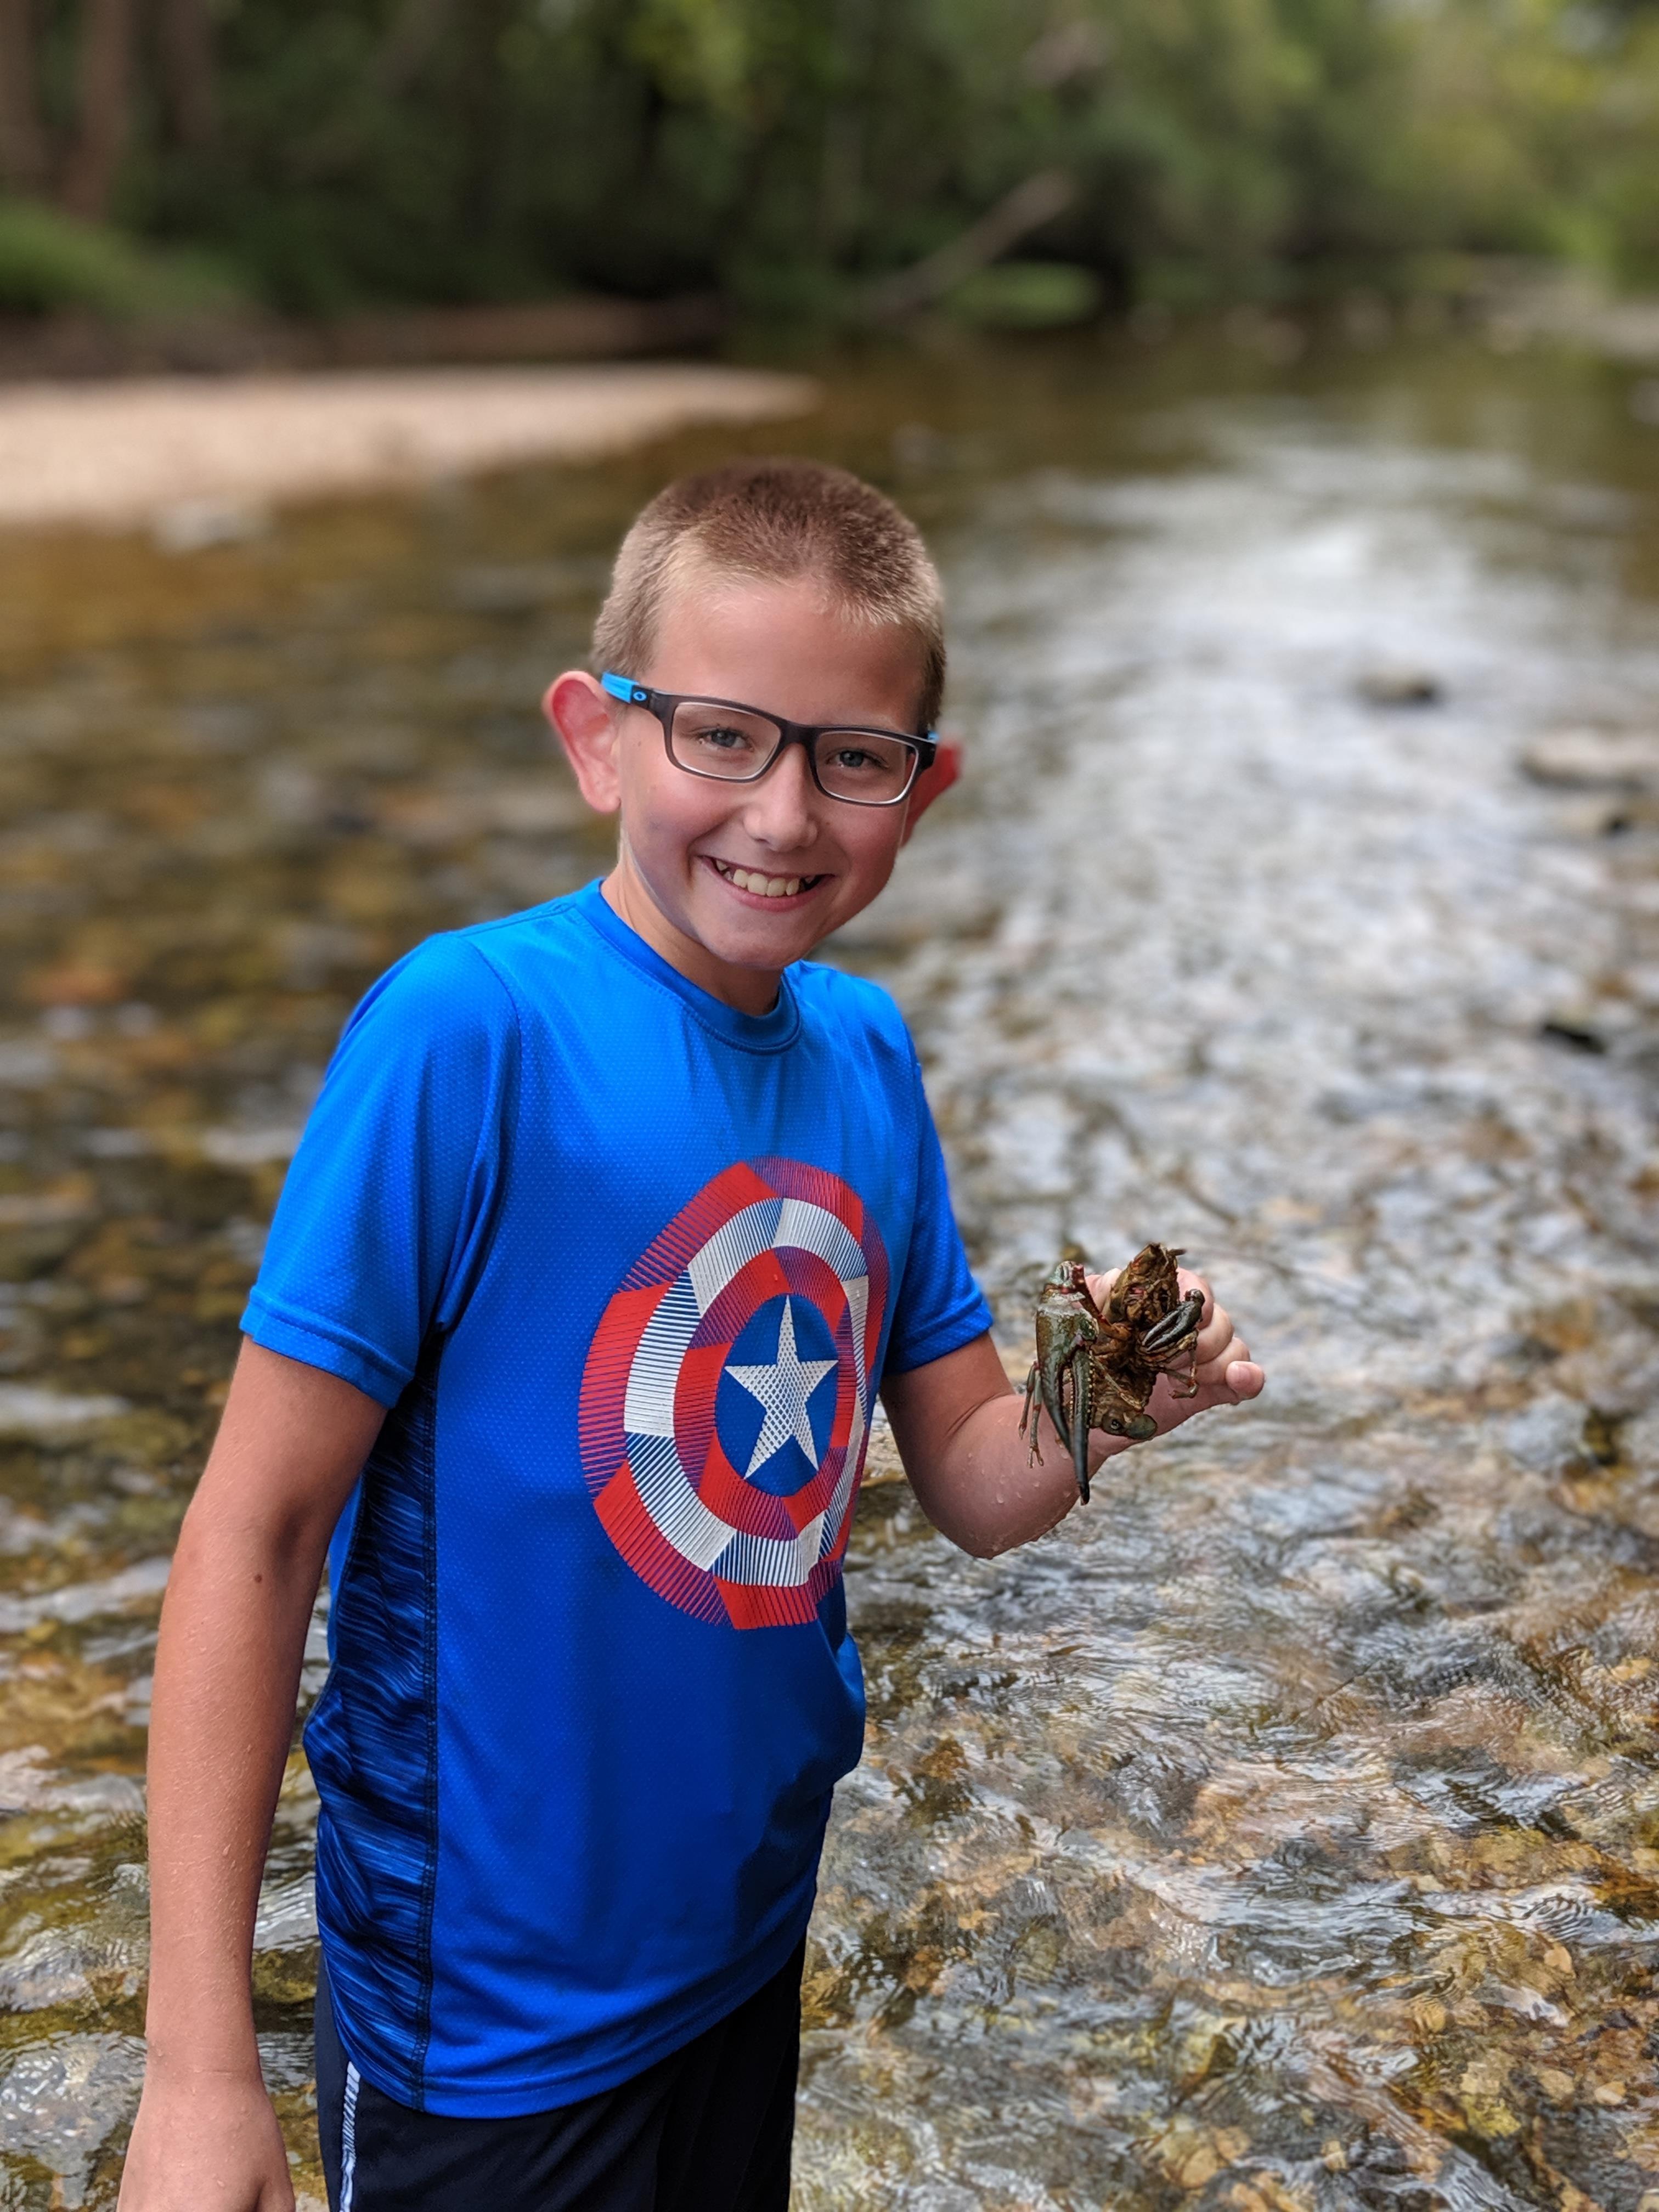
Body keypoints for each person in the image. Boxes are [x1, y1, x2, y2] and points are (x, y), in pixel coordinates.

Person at [118, 458, 1263, 2212]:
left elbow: (966, 1471)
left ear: (920, 790)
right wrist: (199, 2072)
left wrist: (1109, 1396)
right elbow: (254, 1533)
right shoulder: (466, 1034)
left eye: (851, 757)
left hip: (739, 1939)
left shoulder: (866, 1057)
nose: (785, 816)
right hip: (481, 2012)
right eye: (721, 735)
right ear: (599, 740)